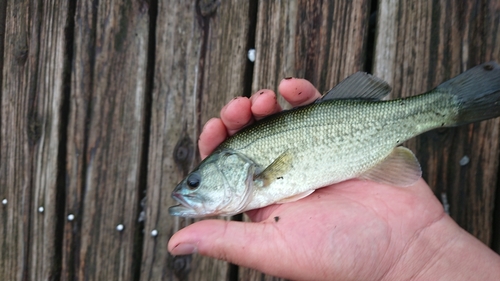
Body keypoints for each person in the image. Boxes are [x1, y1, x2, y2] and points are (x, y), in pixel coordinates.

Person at [168, 78, 500, 280]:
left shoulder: (254, 178)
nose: (189, 189)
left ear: (230, 165)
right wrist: (409, 262)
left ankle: (448, 103)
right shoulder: (250, 180)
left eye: (195, 182)